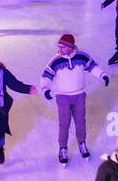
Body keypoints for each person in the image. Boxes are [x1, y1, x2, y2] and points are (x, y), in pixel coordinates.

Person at [40, 33, 109, 167]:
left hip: (79, 96)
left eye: (63, 47)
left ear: (71, 47)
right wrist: (45, 90)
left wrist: (102, 75)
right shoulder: (55, 60)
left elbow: (93, 66)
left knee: (80, 122)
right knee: (64, 124)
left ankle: (82, 143)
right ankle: (63, 148)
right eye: (58, 46)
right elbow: (46, 77)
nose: (60, 49)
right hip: (62, 97)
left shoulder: (81, 56)